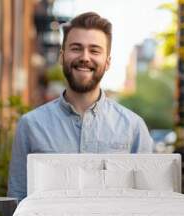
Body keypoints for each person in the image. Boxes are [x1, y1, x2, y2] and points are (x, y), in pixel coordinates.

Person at [8, 12, 153, 201]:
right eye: (76, 48)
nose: (85, 57)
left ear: (107, 62)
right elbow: (18, 200)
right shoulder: (31, 126)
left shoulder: (134, 128)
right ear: (62, 57)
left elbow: (147, 202)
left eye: (94, 50)